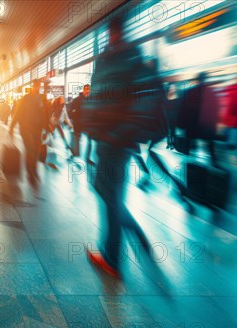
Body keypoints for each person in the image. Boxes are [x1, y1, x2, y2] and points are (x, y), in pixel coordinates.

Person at [82, 15, 151, 278]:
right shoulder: (127, 59)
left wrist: (106, 131)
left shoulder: (118, 60)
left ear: (114, 33)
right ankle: (125, 241)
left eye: (111, 34)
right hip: (115, 139)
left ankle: (113, 256)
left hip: (112, 140)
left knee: (107, 194)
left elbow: (104, 99)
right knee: (109, 193)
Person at [176, 72, 221, 167]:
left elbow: (184, 108)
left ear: (197, 80)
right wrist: (215, 122)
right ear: (205, 79)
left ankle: (187, 162)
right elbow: (216, 109)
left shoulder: (190, 92)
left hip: (192, 124)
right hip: (206, 124)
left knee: (189, 142)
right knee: (209, 143)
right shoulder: (211, 92)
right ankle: (214, 161)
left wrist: (181, 123)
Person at [9, 79, 46, 185]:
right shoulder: (25, 98)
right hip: (26, 127)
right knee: (30, 149)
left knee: (36, 150)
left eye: (39, 86)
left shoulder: (42, 98)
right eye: (35, 86)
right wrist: (12, 126)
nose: (37, 88)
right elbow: (18, 112)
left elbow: (45, 114)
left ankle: (33, 169)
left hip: (37, 128)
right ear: (32, 86)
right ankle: (31, 172)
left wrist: (46, 129)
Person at [68, 84, 93, 165]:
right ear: (83, 90)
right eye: (86, 89)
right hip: (79, 122)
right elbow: (70, 111)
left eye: (89, 89)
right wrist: (75, 119)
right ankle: (74, 155)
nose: (87, 91)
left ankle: (87, 158)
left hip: (88, 123)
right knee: (77, 138)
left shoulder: (92, 100)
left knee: (89, 140)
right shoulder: (77, 100)